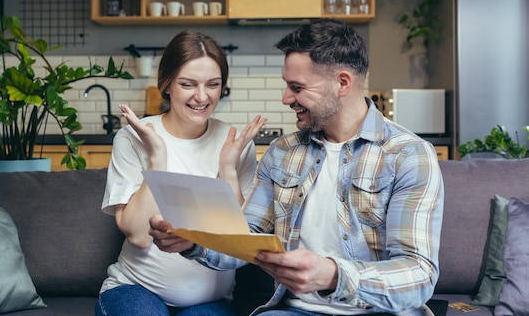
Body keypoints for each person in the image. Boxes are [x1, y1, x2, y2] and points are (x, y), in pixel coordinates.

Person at [150, 18, 445, 316]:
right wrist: (193, 241)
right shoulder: (284, 151)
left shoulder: (408, 155)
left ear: (342, 83)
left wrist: (332, 275)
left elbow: (418, 275)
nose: (285, 98)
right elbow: (246, 238)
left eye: (297, 87)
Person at [96, 30, 268, 316]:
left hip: (211, 302)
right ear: (167, 85)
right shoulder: (134, 137)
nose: (202, 97)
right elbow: (139, 236)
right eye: (188, 84)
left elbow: (240, 242)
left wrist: (227, 169)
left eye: (213, 85)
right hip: (136, 289)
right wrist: (158, 159)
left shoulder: (234, 143)